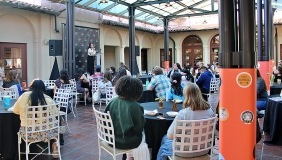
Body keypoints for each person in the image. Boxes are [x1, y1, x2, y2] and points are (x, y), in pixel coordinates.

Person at [157, 83, 215, 160]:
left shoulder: (183, 114)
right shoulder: (210, 111)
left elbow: (170, 136)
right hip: (204, 150)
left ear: (186, 96)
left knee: (165, 139)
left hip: (183, 152)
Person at [13, 80, 61, 156]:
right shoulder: (48, 99)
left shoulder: (24, 97)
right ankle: (55, 143)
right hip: (47, 133)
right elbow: (55, 113)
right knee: (54, 122)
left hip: (28, 134)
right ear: (43, 89)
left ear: (31, 87)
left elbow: (15, 111)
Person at [104, 76, 145, 159]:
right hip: (126, 142)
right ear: (137, 91)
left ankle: (130, 156)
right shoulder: (135, 106)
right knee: (145, 134)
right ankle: (132, 156)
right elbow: (139, 128)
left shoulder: (112, 101)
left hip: (110, 139)